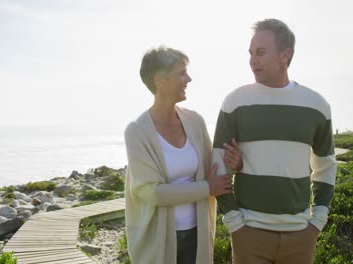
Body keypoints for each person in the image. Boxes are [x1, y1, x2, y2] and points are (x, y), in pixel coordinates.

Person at [212, 18, 337, 264]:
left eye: (260, 52)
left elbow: (325, 167)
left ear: (285, 54)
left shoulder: (317, 106)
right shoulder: (235, 103)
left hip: (301, 236)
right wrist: (235, 223)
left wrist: (317, 222)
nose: (252, 59)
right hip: (249, 234)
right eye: (250, 52)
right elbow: (218, 165)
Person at [124, 46, 243, 264]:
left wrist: (235, 164)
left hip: (198, 233)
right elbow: (152, 193)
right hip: (158, 240)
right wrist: (207, 188)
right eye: (181, 73)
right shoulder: (136, 132)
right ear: (160, 80)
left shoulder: (195, 122)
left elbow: (213, 170)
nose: (188, 78)